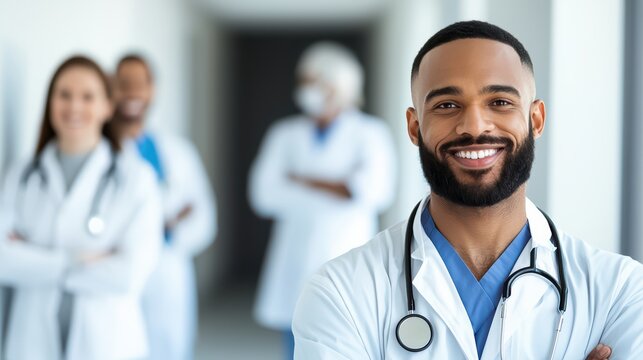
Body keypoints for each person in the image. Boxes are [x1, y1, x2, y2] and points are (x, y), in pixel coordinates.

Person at [292, 21, 643, 360]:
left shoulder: (621, 291)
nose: (474, 126)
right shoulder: (339, 293)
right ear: (415, 127)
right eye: (447, 105)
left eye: (500, 102)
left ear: (536, 120)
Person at [0, 55, 162, 359]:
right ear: (50, 103)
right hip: (31, 342)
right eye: (64, 95)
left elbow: (129, 274)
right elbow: (2, 261)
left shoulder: (136, 179)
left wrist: (35, 260)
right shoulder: (20, 175)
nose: (74, 106)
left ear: (107, 107)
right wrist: (76, 260)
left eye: (87, 97)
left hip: (108, 342)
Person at [248, 42, 396, 359]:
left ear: (340, 86)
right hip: (294, 259)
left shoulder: (370, 134)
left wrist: (299, 179)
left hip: (347, 255)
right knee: (295, 343)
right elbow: (263, 195)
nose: (308, 90)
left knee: (345, 340)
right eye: (305, 82)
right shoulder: (284, 134)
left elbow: (374, 191)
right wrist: (338, 185)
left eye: (317, 82)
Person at [111, 54, 217, 360]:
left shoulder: (179, 152)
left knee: (169, 347)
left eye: (140, 84)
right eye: (123, 83)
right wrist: (163, 221)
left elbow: (204, 216)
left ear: (153, 90)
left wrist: (167, 232)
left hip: (168, 270)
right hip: (117, 270)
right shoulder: (102, 151)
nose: (132, 91)